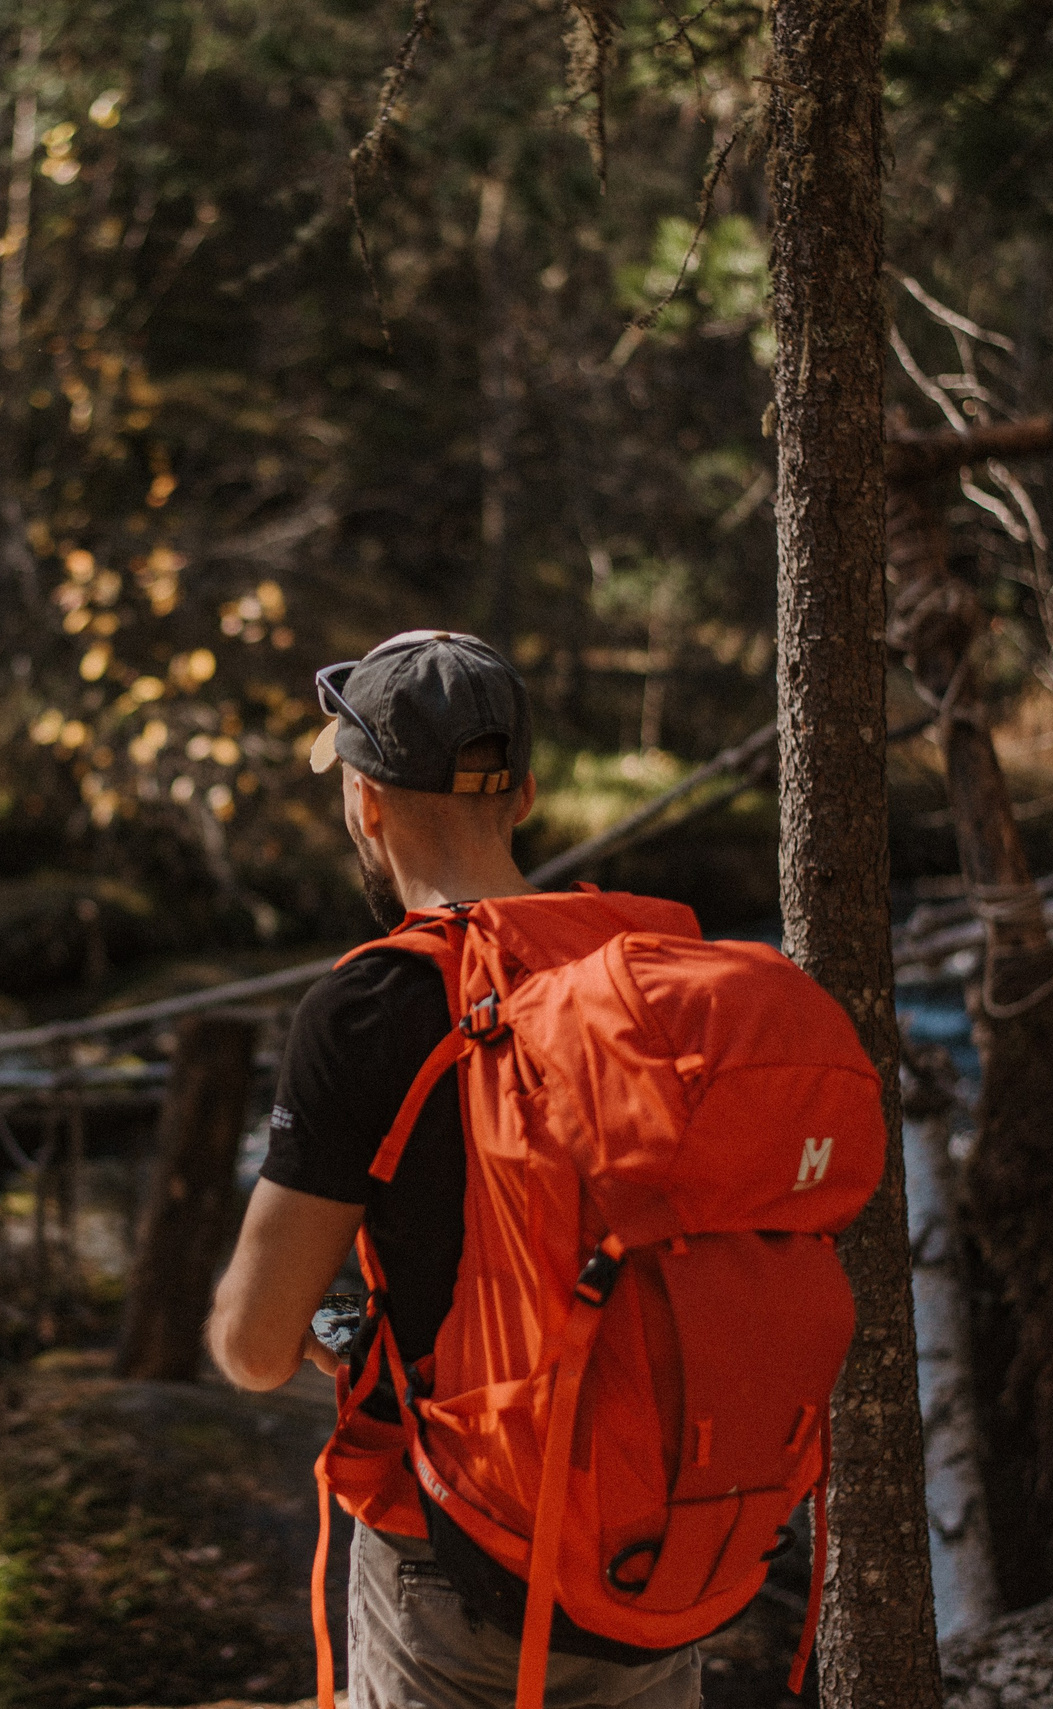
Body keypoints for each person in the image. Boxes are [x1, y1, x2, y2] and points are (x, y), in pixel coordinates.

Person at [206, 630, 703, 1709]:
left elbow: (251, 1347)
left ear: (365, 803)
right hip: (657, 1536)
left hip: (458, 1550)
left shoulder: (369, 1006)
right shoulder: (647, 979)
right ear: (521, 794)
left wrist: (328, 1329)